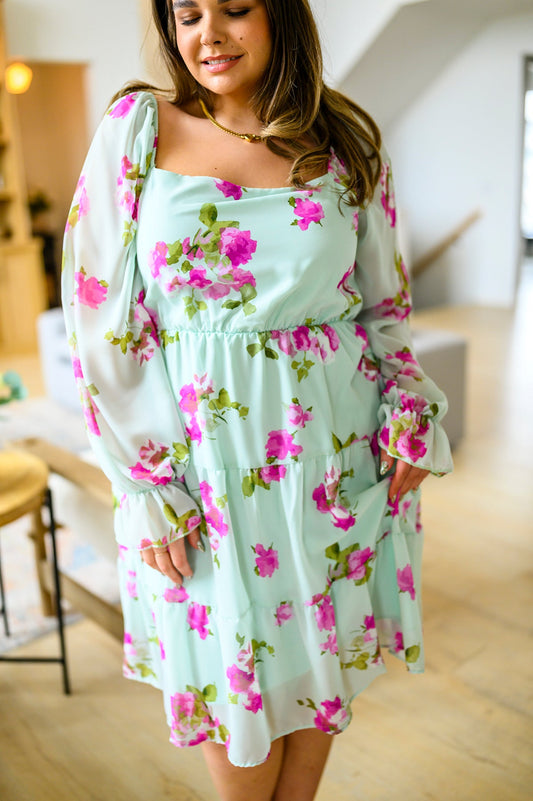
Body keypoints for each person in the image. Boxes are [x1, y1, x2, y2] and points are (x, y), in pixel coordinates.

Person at [61, 1, 453, 798]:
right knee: (233, 712)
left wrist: (408, 402)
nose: (209, 34)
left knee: (316, 686)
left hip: (330, 460)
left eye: (235, 9)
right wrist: (148, 481)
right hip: (200, 474)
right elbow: (100, 315)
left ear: (279, 15)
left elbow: (383, 307)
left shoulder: (345, 140)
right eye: (188, 14)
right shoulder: (139, 129)